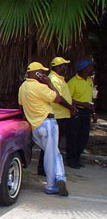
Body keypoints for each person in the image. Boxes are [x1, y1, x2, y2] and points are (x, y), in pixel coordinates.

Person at [18, 62, 74, 196]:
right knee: (53, 154)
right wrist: (48, 82)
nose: (44, 74)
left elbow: (20, 106)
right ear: (36, 73)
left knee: (52, 153)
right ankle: (55, 182)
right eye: (42, 72)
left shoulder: (22, 87)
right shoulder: (40, 87)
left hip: (35, 127)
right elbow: (58, 98)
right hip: (47, 123)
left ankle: (57, 180)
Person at [37, 57, 75, 175]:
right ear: (58, 67)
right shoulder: (53, 79)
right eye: (64, 65)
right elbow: (58, 98)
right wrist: (71, 107)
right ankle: (43, 169)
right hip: (58, 115)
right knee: (50, 144)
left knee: (53, 144)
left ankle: (46, 168)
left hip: (63, 115)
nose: (66, 67)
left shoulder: (60, 79)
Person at [67, 59, 97, 168]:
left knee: (83, 137)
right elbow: (68, 98)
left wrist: (93, 112)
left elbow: (91, 98)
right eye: (89, 67)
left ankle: (77, 158)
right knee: (73, 136)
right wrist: (82, 104)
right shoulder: (73, 82)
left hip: (86, 111)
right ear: (83, 69)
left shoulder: (89, 80)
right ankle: (71, 160)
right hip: (77, 111)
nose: (91, 68)